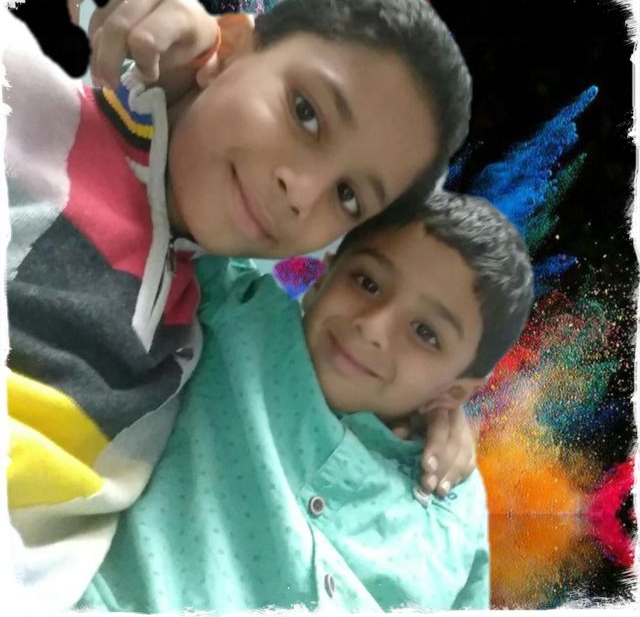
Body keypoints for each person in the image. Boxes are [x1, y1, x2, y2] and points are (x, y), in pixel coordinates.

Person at [4, 0, 475, 610]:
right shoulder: (38, 119)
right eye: (306, 113)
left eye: (347, 196)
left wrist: (435, 403)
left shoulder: (220, 319)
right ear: (228, 48)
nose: (300, 192)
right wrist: (117, 13)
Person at [77, 190, 534, 614]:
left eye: (425, 333)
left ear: (454, 390)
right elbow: (174, 193)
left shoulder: (455, 509)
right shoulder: (244, 317)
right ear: (322, 279)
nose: (373, 327)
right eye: (367, 283)